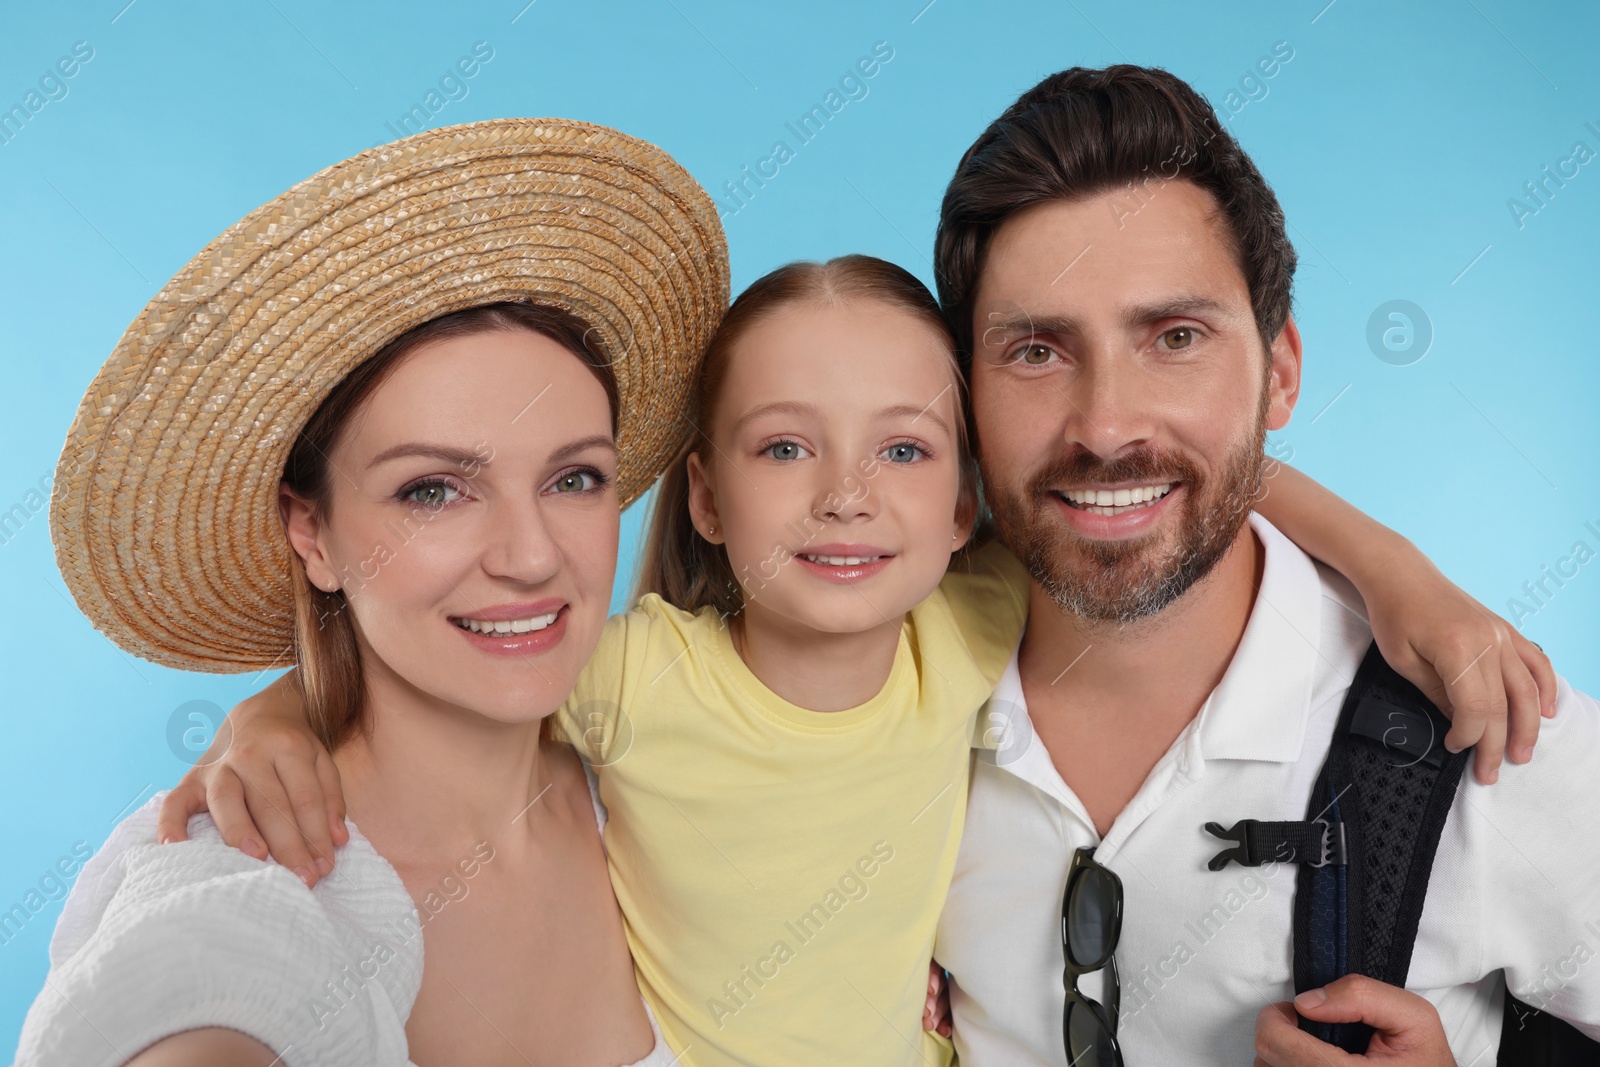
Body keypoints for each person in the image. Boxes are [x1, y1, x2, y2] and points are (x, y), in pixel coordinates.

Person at [160, 234, 1548, 1067]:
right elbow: (441, 655)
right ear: (705, 494)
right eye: (782, 449)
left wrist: (1401, 576)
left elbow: (1167, 478)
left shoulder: (970, 620)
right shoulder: (639, 676)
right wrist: (275, 715)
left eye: (901, 448)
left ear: (964, 504)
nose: (843, 494)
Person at [16, 118, 727, 1066]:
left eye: (574, 478)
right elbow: (207, 991)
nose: (530, 555)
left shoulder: (667, 764)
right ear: (310, 531)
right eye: (433, 490)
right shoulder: (248, 874)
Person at [925, 64, 1598, 1065]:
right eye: (1034, 351)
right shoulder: (870, 686)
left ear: (1279, 372)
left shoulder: (1488, 737)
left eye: (1176, 336)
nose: (1107, 427)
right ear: (961, 392)